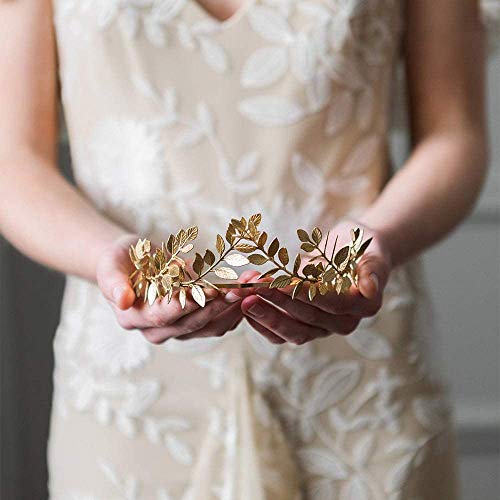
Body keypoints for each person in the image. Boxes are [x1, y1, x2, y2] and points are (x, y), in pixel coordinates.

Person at [0, 0, 491, 498]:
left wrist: (375, 238)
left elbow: (454, 135)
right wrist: (105, 254)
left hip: (360, 380)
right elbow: (12, 160)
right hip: (129, 392)